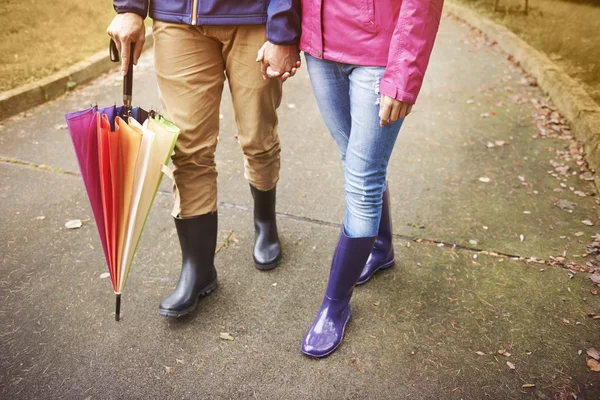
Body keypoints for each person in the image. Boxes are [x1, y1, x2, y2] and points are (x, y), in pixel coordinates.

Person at [261, 0, 443, 357]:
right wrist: (282, 36)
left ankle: (335, 306)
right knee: (359, 165)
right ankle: (381, 248)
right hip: (320, 48)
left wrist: (404, 74)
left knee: (362, 180)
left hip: (379, 54)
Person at [108, 0, 301, 318]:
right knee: (186, 148)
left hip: (254, 18)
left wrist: (282, 28)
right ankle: (197, 268)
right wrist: (130, 7)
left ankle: (265, 222)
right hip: (179, 19)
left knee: (257, 138)